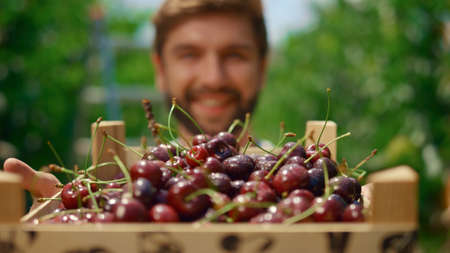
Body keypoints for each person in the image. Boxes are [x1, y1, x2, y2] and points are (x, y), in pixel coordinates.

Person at [3, 0, 269, 209]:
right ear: (160, 70)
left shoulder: (300, 179)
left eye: (235, 55)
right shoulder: (121, 189)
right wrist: (64, 226)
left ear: (263, 68)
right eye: (189, 55)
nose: (213, 78)